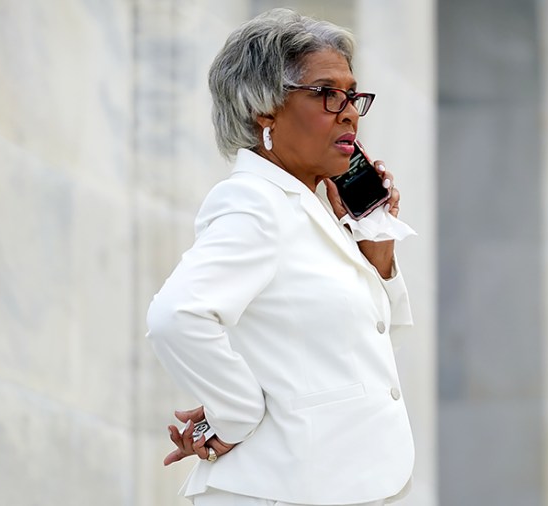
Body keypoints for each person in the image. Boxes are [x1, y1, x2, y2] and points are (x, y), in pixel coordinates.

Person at [146, 8, 414, 506]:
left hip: (333, 484)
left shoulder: (310, 214)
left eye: (352, 94)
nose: (349, 110)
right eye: (327, 93)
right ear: (263, 111)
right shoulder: (254, 201)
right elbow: (175, 316)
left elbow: (361, 358)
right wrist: (237, 413)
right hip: (283, 490)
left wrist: (377, 250)